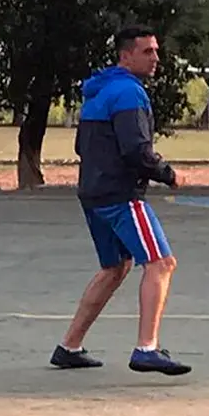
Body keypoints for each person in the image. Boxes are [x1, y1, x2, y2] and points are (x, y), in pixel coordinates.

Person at [49, 25, 191, 376]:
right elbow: (136, 150)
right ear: (125, 55)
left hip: (93, 193)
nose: (155, 58)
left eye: (156, 51)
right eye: (147, 52)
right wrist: (168, 173)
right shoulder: (129, 93)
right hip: (119, 195)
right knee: (160, 263)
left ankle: (69, 347)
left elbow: (81, 146)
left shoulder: (99, 91)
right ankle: (147, 349)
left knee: (115, 268)